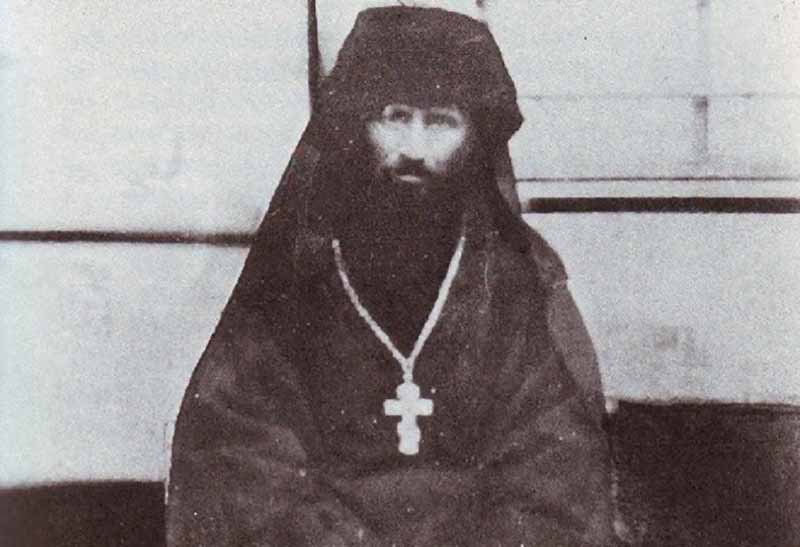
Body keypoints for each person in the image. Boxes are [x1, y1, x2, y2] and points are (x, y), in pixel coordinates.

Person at [166, 6, 615, 546]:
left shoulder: (514, 284)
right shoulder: (295, 278)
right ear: (357, 126)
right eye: (395, 117)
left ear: (475, 138)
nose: (413, 150)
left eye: (441, 122)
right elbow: (241, 451)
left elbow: (556, 459)